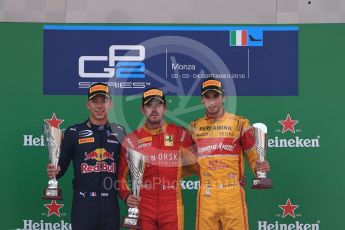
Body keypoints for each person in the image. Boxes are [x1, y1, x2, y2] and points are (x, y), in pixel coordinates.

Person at [189, 78, 270, 230]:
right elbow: (188, 162)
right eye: (208, 97)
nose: (212, 102)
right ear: (202, 100)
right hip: (207, 194)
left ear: (223, 97)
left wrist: (259, 168)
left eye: (216, 96)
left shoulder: (240, 123)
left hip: (232, 192)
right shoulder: (194, 127)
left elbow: (252, 154)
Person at [47, 83, 126, 230]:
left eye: (104, 101)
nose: (99, 106)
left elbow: (126, 169)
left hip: (110, 204)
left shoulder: (120, 132)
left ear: (110, 104)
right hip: (83, 203)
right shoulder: (74, 132)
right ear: (87, 104)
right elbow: (61, 167)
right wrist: (54, 170)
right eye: (95, 101)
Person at [118, 87, 198, 230]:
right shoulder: (131, 140)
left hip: (172, 206)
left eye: (158, 105)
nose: (154, 109)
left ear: (165, 108)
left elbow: (198, 166)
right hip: (143, 206)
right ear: (142, 109)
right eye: (149, 105)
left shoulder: (180, 134)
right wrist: (126, 195)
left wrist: (232, 176)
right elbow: (121, 178)